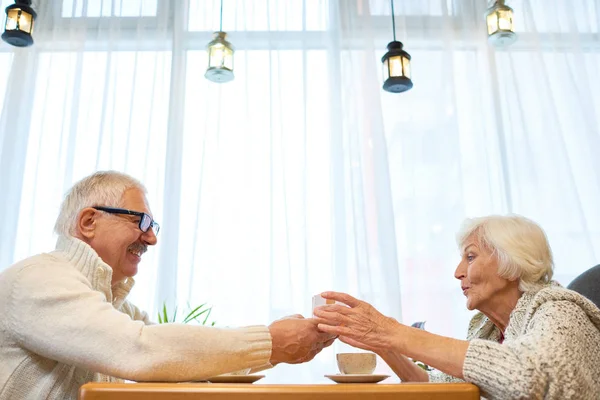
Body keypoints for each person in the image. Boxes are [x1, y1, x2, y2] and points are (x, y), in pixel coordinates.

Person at [0, 171, 335, 400]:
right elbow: (142, 350)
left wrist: (279, 346)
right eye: (141, 221)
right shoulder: (38, 278)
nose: (152, 238)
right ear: (89, 221)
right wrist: (273, 342)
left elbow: (178, 356)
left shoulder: (111, 303)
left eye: (153, 225)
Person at [314, 215, 600, 399]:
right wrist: (383, 344)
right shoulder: (486, 328)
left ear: (512, 263)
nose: (458, 272)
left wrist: (392, 331)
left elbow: (528, 378)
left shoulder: (561, 311)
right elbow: (437, 385)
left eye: (471, 257)